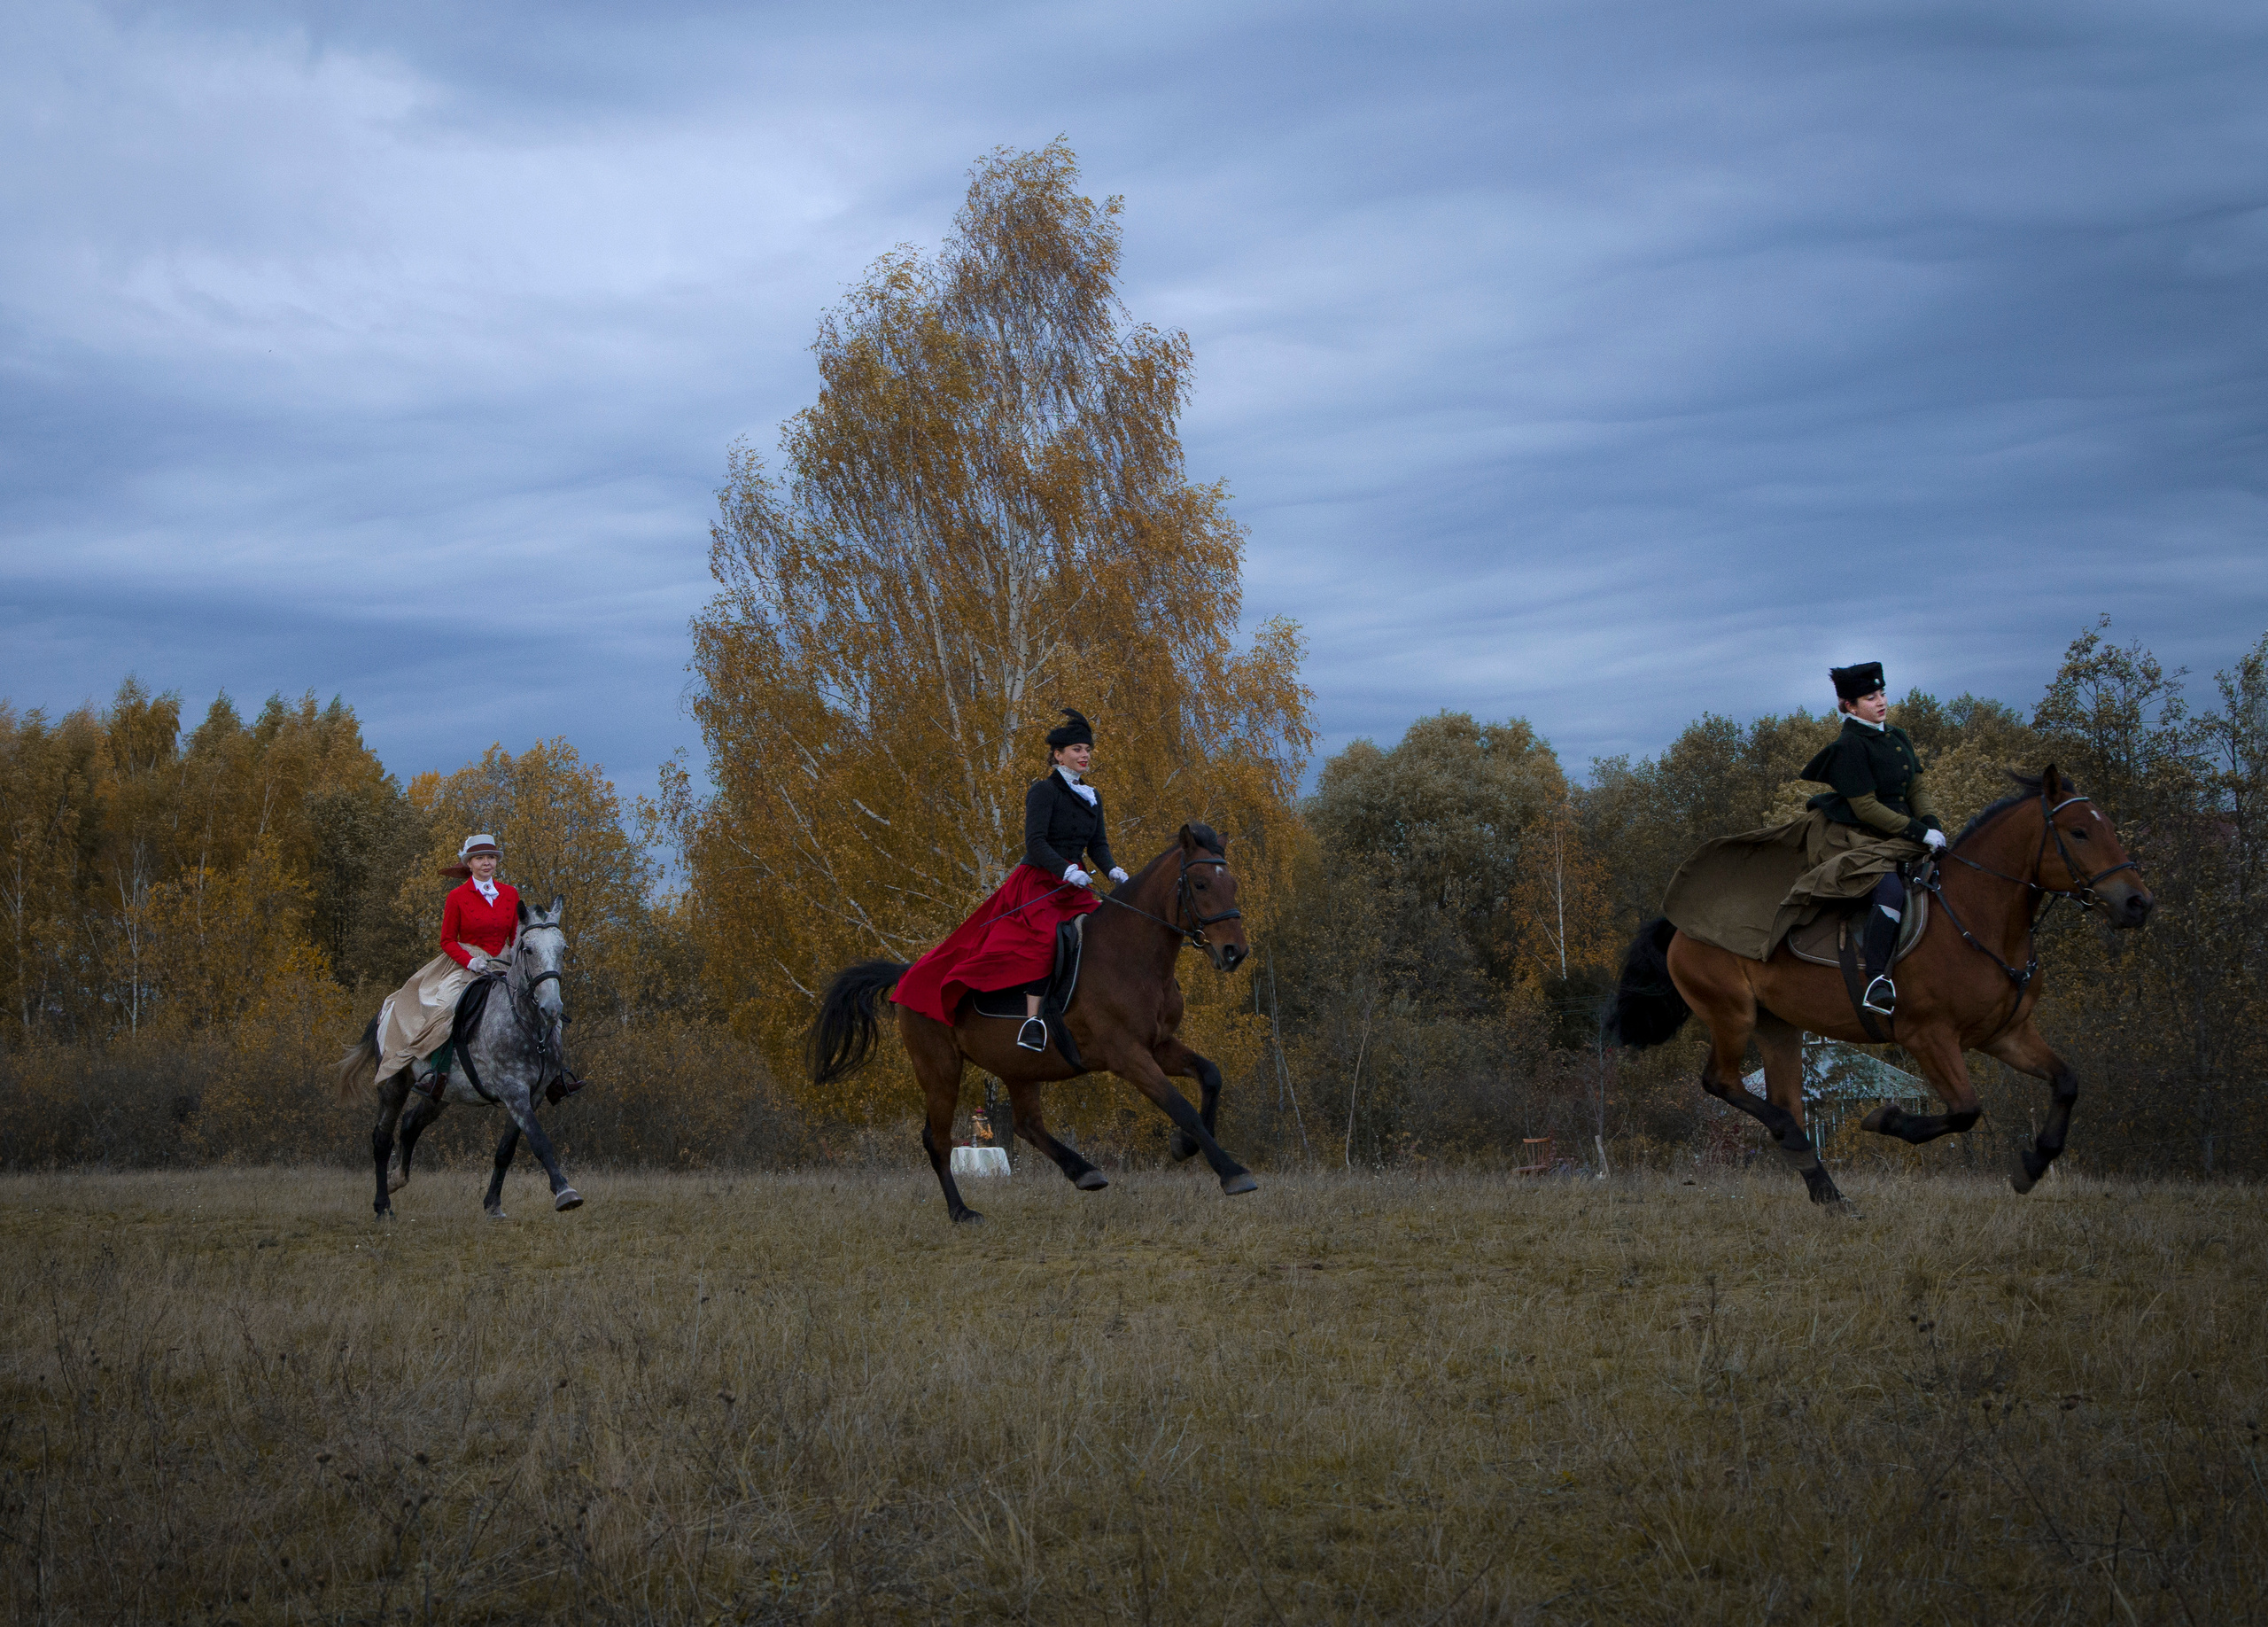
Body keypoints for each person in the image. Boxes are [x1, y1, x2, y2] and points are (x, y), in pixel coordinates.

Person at [890, 708, 1132, 1050]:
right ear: (1058, 755)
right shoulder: (1043, 792)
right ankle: (1033, 1022)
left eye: (1087, 750)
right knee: (1045, 939)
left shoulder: (1092, 796)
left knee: (1104, 930)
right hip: (1038, 883)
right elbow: (1035, 842)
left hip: (1074, 885)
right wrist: (1065, 870)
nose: (1084, 756)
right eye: (1077, 750)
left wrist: (1113, 871)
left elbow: (1098, 845)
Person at [1798, 662, 1947, 1014]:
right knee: (1891, 890)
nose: (1880, 702)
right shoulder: (1849, 745)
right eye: (1870, 697)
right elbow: (1866, 807)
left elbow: (1916, 786)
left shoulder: (1896, 736)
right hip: (1859, 835)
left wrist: (1930, 822)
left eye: (1881, 694)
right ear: (1850, 706)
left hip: (1902, 830)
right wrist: (1919, 831)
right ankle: (1878, 980)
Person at [373, 834, 521, 1090]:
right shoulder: (457, 897)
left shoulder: (510, 894)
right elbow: (447, 941)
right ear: (469, 863)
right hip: (468, 964)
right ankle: (437, 1073)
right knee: (446, 1008)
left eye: (491, 858)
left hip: (504, 963)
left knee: (541, 1001)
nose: (487, 863)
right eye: (480, 858)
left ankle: (554, 1075)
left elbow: (516, 936)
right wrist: (470, 961)